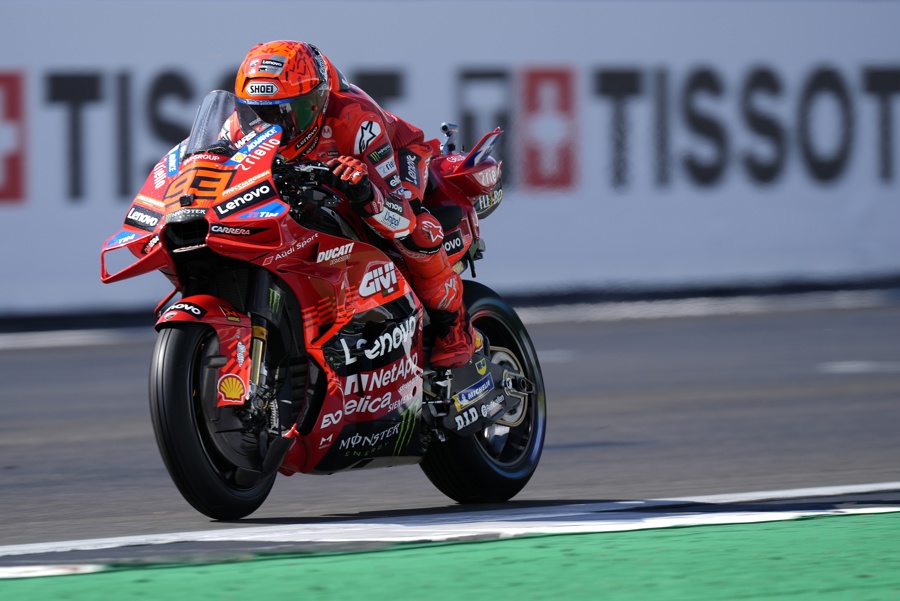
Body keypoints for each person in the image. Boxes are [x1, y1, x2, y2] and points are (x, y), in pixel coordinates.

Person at [234, 40, 474, 369]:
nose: (274, 126)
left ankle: (454, 323)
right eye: (259, 113)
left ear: (316, 100)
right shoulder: (240, 126)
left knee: (415, 230)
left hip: (396, 156)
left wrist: (365, 193)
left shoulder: (355, 120)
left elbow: (398, 216)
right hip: (314, 177)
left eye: (287, 113)